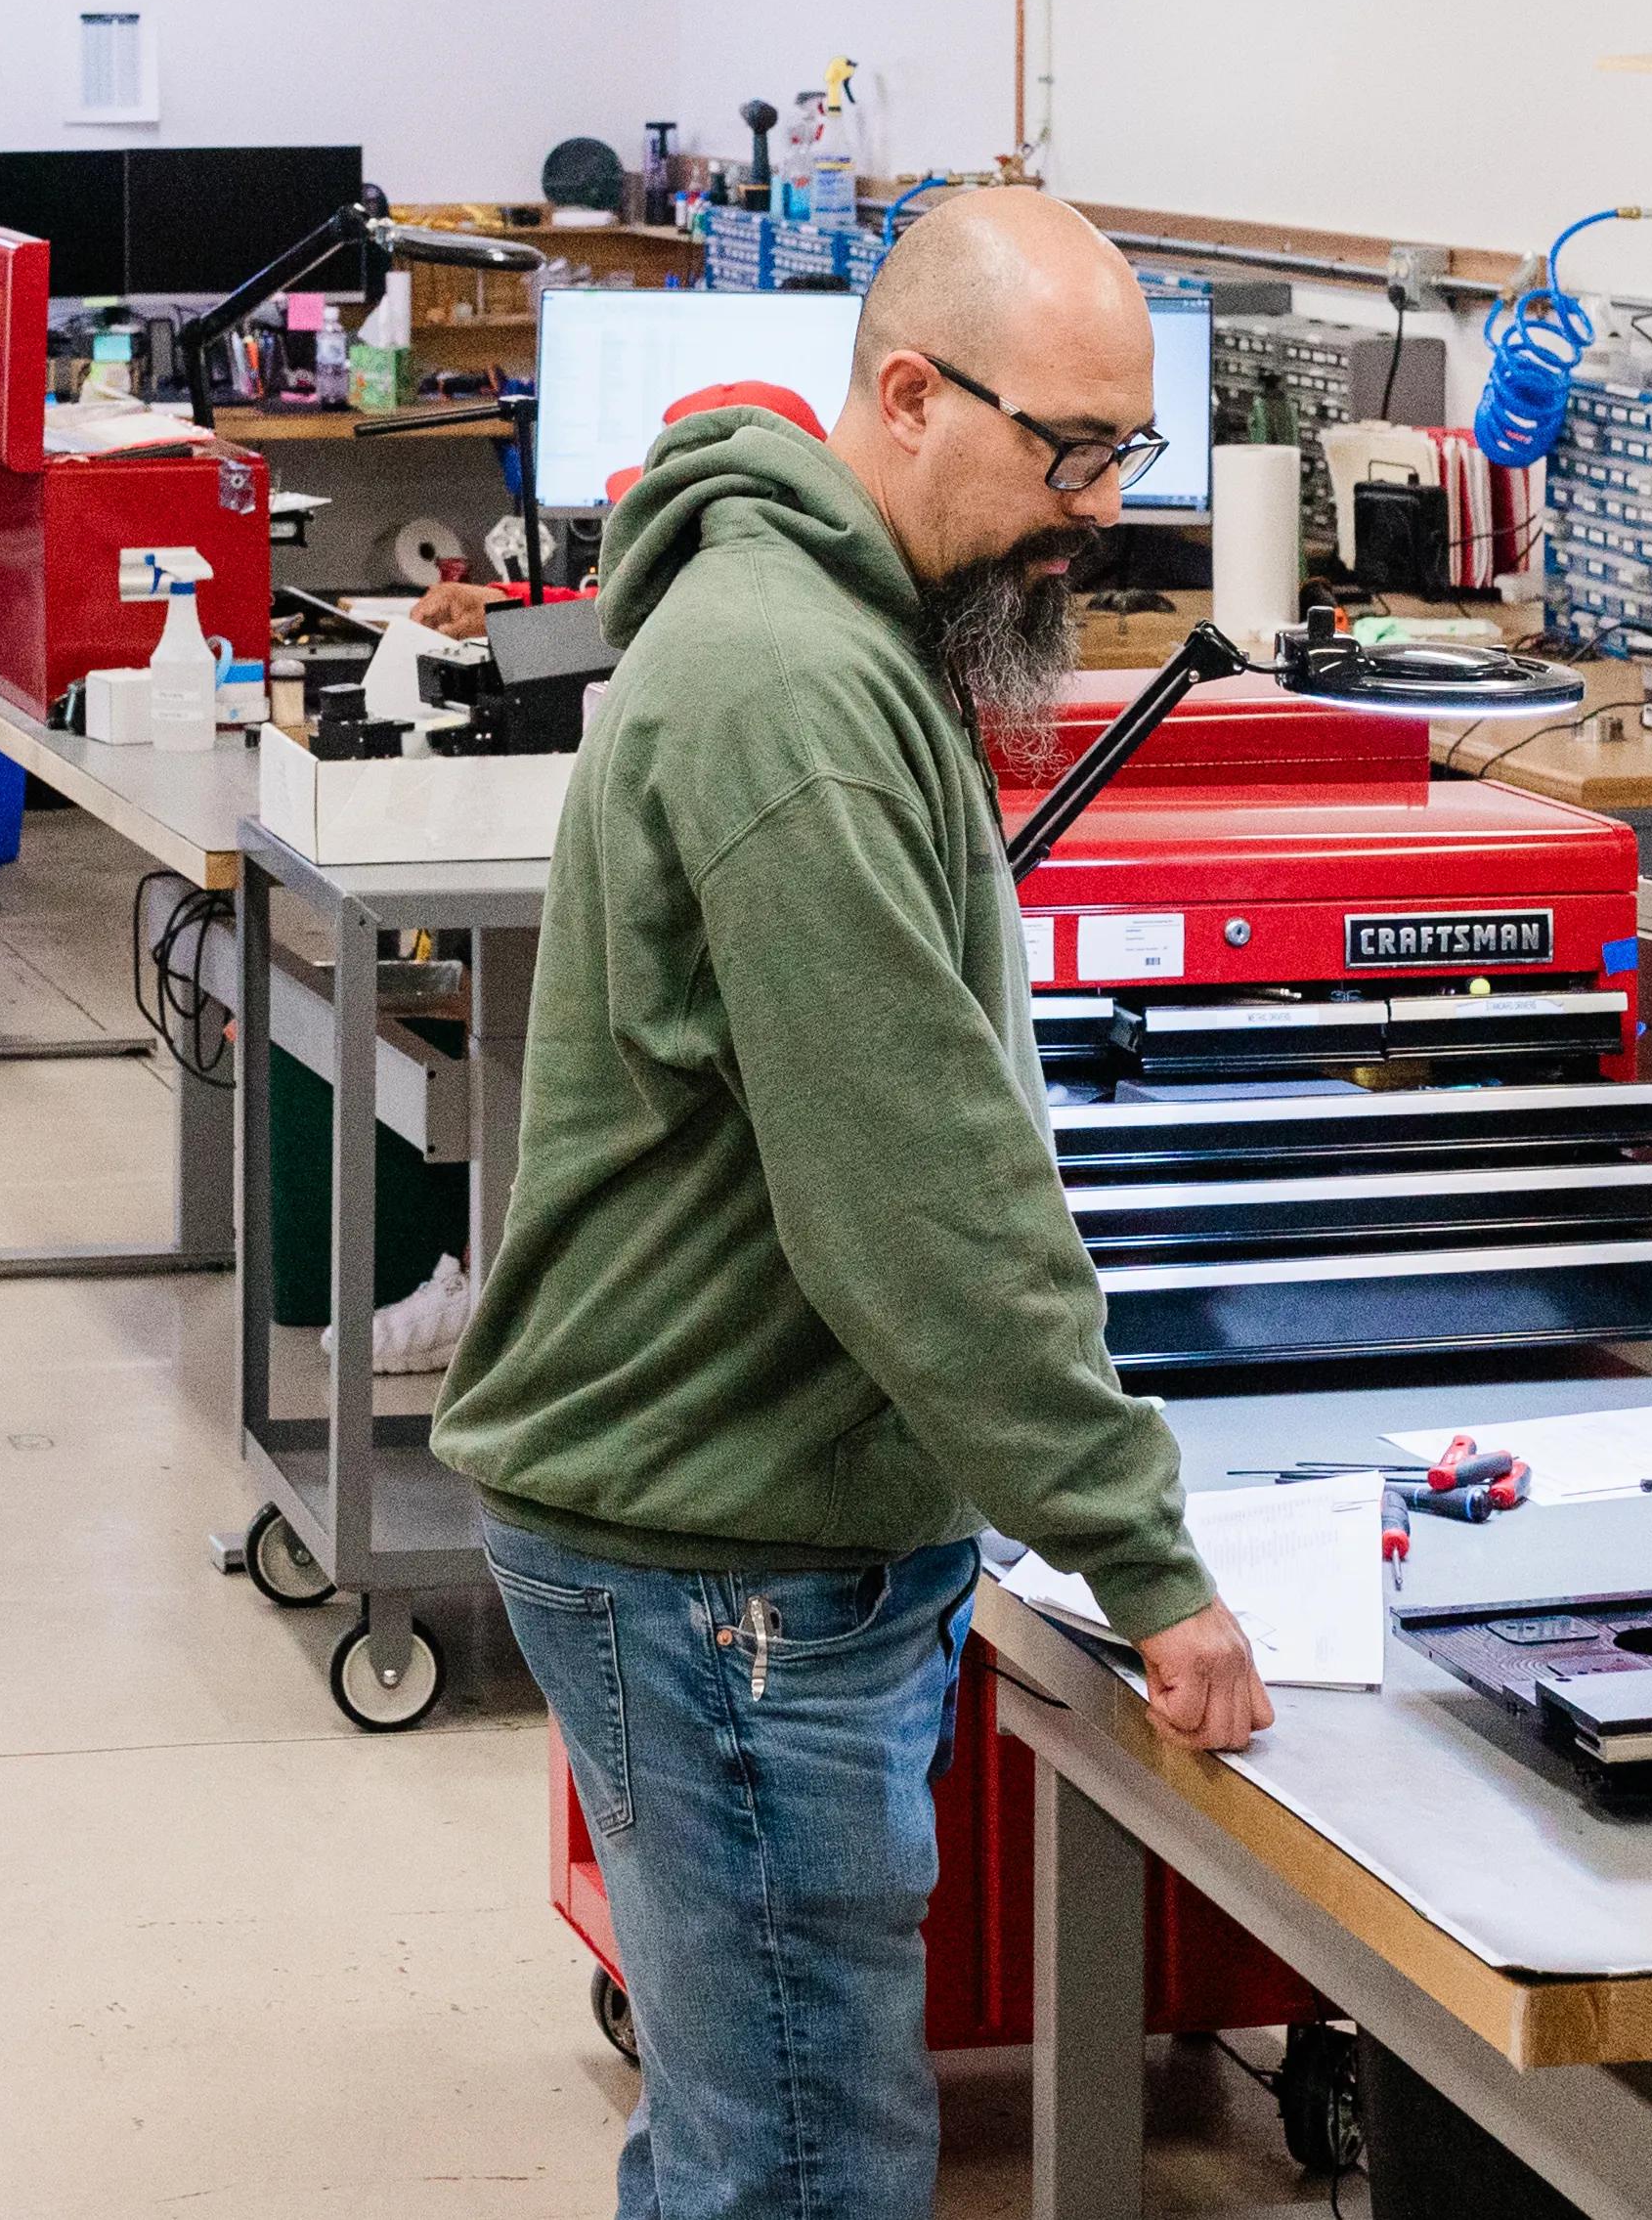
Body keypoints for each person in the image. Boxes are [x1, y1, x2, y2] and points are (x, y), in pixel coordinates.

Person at [432, 187, 1271, 2220]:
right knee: (803, 2165)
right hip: (720, 1551)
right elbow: (916, 1189)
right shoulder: (794, 694)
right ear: (905, 397)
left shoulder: (853, 630)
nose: (1097, 509)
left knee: (743, 2138)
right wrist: (1142, 1552)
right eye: (1064, 454)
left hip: (754, 1522)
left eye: (1125, 451)